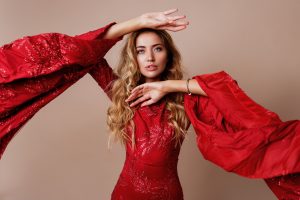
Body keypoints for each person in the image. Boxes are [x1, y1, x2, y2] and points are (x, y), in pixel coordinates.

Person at [0, 9, 299, 200]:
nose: (150, 57)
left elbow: (227, 92)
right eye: (142, 50)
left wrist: (168, 86)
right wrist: (137, 23)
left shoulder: (187, 98)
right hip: (125, 194)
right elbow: (83, 53)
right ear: (135, 57)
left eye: (157, 49)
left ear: (168, 55)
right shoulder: (122, 93)